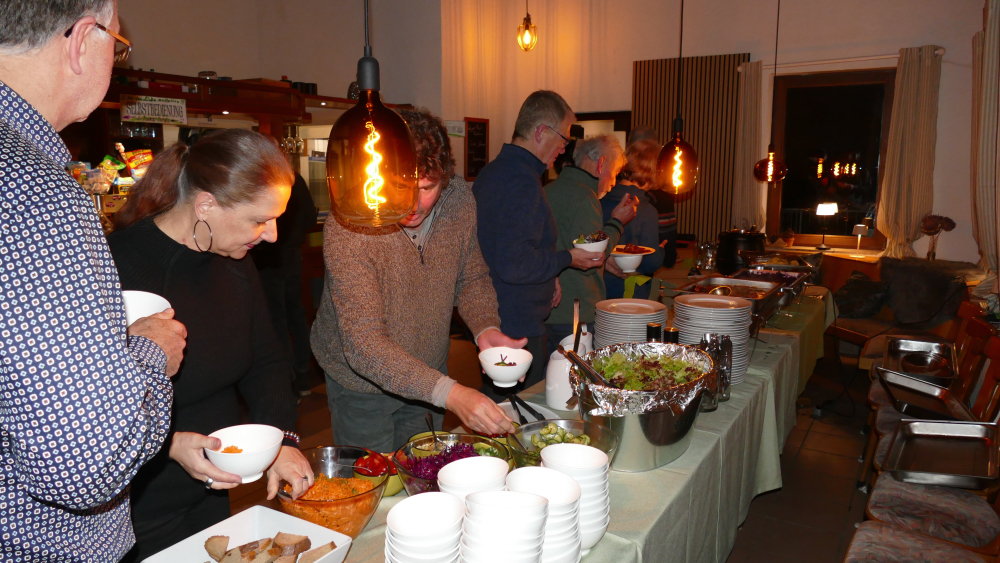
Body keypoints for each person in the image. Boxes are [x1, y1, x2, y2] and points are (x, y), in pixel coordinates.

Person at [0, 2, 187, 561]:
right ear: (83, 39)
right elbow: (86, 461)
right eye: (118, 46)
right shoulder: (35, 192)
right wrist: (149, 352)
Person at [109, 129, 313, 561]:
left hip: (213, 491)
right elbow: (87, 405)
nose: (272, 235)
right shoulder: (114, 266)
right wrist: (167, 445)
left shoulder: (234, 260)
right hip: (135, 506)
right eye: (259, 220)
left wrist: (282, 439)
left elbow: (267, 361)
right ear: (205, 205)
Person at [311, 108, 524, 452]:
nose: (413, 204)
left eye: (427, 187)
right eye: (400, 187)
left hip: (429, 369)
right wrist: (450, 393)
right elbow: (363, 344)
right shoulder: (349, 223)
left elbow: (471, 276)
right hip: (361, 389)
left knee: (424, 474)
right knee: (374, 479)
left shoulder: (459, 201)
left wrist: (485, 328)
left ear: (445, 177)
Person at [472, 91, 605, 400]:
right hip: (516, 327)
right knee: (518, 412)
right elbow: (514, 264)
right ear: (541, 131)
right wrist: (567, 258)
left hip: (498, 316)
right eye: (563, 138)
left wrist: (550, 274)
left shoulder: (494, 172)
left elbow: (506, 247)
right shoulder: (521, 181)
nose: (564, 148)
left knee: (503, 408)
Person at [545, 135, 638, 349]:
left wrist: (606, 261)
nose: (613, 184)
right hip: (575, 311)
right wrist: (617, 222)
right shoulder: (585, 196)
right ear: (601, 163)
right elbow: (591, 259)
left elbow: (563, 245)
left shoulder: (547, 190)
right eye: (614, 173)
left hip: (546, 310)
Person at [251, 171, 318, 396]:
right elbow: (309, 218)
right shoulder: (294, 178)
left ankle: (288, 381)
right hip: (293, 253)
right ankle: (303, 374)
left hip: (268, 257)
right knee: (296, 313)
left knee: (276, 319)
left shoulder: (263, 178)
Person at [602, 139, 667, 299]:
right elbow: (650, 263)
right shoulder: (646, 211)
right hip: (629, 294)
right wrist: (660, 250)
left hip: (599, 292)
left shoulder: (599, 200)